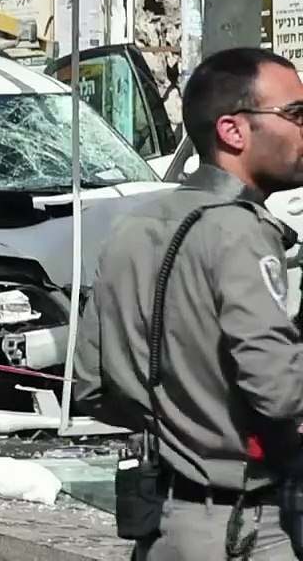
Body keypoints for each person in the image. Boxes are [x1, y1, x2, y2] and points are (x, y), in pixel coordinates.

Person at [75, 47, 303, 560]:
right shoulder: (238, 231)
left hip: (164, 522)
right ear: (233, 131)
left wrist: (179, 423)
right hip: (245, 528)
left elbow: (90, 384)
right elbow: (279, 392)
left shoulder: (133, 225)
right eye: (295, 115)